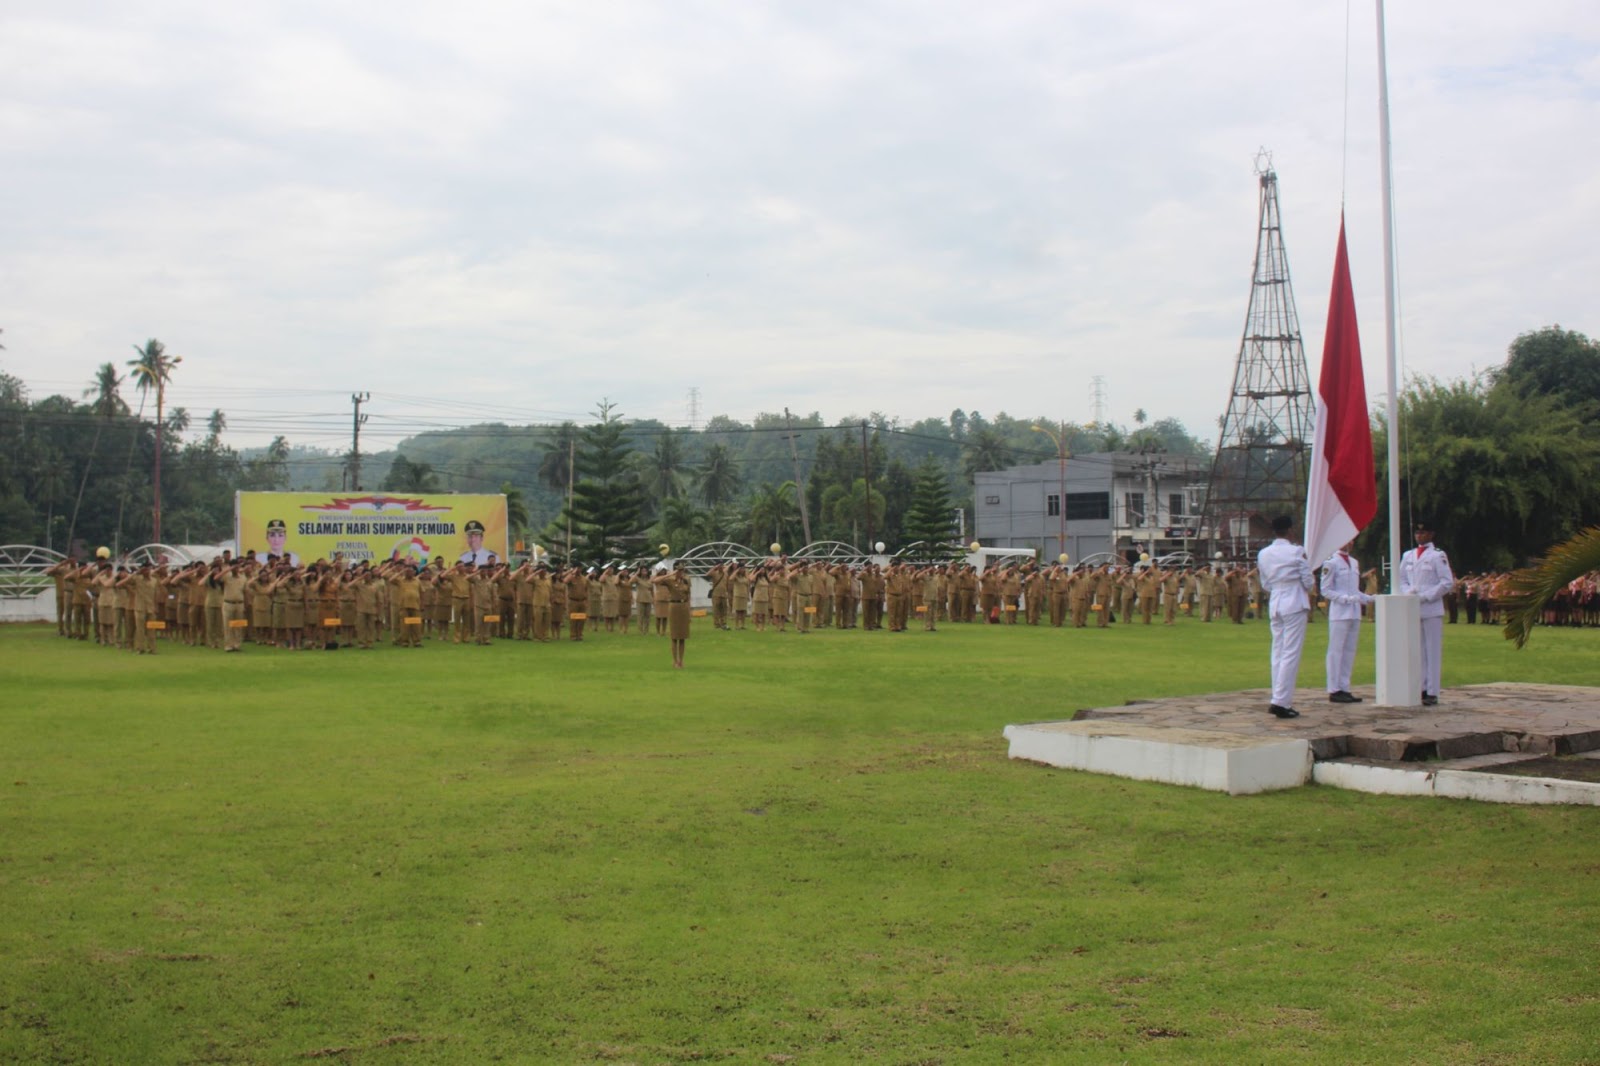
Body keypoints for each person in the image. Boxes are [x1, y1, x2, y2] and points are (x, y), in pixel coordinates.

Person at [1257, 514, 1314, 719]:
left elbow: (1265, 583)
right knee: (1291, 652)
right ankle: (1281, 701)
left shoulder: (1264, 553)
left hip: (1276, 600)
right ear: (1290, 530)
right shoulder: (1297, 551)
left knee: (1278, 651)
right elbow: (1308, 582)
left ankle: (1278, 696)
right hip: (1294, 600)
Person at [1397, 518, 1454, 706]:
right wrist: (1408, 593)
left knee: (1432, 650)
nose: (1419, 536)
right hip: (1413, 607)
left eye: (1423, 533)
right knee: (1418, 650)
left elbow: (1446, 582)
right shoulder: (1408, 555)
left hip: (1431, 607)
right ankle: (1420, 687)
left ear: (1431, 535)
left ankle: (1432, 691)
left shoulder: (1438, 555)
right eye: (1417, 533)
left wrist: (1426, 596)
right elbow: (1401, 579)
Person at [1320, 541, 1372, 703]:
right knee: (1336, 651)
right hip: (1339, 612)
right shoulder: (1331, 561)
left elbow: (1355, 590)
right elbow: (1326, 589)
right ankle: (1334, 689)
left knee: (1349, 651)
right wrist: (1345, 599)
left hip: (1354, 612)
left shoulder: (1354, 562)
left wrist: (1369, 599)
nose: (1347, 543)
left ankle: (1345, 687)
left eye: (1350, 539)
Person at [654, 561, 691, 668]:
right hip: (674, 607)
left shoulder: (686, 581)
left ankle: (681, 660)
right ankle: (675, 661)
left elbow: (688, 596)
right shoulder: (670, 580)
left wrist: (689, 612)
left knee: (683, 637)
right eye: (679, 570)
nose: (681, 572)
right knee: (674, 637)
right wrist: (669, 574)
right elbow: (654, 580)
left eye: (682, 570)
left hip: (683, 607)